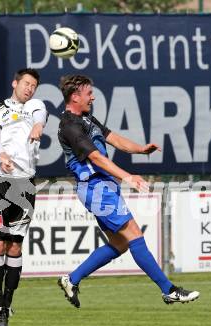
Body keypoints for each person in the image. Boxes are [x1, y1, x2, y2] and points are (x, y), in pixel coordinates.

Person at [57, 74, 199, 308]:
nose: (92, 97)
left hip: (103, 186)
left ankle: (71, 279)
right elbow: (95, 157)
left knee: (121, 244)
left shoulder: (86, 118)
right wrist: (127, 176)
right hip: (95, 187)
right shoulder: (70, 125)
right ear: (75, 97)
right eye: (88, 93)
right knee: (134, 234)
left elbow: (114, 138)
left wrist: (140, 150)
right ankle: (169, 290)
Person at [0, 68, 47, 326]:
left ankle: (8, 301)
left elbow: (41, 115)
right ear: (15, 83)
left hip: (24, 184)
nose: (30, 88)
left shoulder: (35, 106)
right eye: (26, 83)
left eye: (33, 85)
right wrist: (1, 156)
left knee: (15, 248)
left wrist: (39, 124)